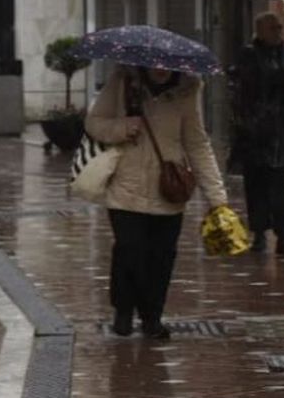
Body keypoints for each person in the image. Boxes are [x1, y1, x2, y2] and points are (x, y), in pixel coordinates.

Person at [85, 64, 228, 339]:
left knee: (161, 256)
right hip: (126, 187)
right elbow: (94, 122)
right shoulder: (123, 81)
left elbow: (197, 143)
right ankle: (124, 311)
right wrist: (122, 127)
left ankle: (153, 316)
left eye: (167, 64)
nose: (161, 70)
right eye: (156, 64)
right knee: (130, 250)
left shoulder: (187, 90)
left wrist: (216, 196)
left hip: (168, 188)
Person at [227, 12, 284, 255]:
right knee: (257, 183)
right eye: (273, 28)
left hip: (282, 132)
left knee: (280, 183)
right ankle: (259, 231)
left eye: (280, 28)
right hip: (256, 132)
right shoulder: (248, 55)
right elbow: (251, 85)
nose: (278, 32)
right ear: (260, 30)